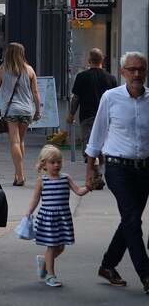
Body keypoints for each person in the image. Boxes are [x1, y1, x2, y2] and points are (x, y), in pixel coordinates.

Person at [84, 51, 149, 291]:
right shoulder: (110, 98)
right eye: (131, 70)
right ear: (122, 73)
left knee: (129, 220)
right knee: (132, 219)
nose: (136, 74)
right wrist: (90, 169)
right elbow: (97, 133)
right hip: (117, 167)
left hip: (144, 168)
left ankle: (108, 265)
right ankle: (146, 275)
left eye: (140, 69)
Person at [27, 145, 90, 287]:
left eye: (59, 162)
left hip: (62, 218)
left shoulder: (66, 178)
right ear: (44, 164)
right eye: (52, 162)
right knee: (52, 246)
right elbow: (35, 199)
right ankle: (51, 275)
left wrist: (88, 188)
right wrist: (29, 211)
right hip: (48, 219)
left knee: (60, 247)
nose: (56, 165)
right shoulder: (42, 181)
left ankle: (43, 261)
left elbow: (78, 191)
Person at [0, 42, 41, 186]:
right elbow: (35, 92)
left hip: (12, 110)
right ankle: (18, 173)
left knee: (14, 142)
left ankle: (20, 175)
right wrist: (38, 111)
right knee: (21, 142)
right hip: (27, 110)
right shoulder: (29, 70)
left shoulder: (3, 69)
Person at [66, 48, 117, 190]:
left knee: (89, 147)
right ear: (103, 61)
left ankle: (98, 174)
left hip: (87, 117)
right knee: (100, 147)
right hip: (106, 118)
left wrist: (71, 114)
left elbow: (76, 98)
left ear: (89, 61)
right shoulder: (111, 78)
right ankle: (96, 175)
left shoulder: (82, 77)